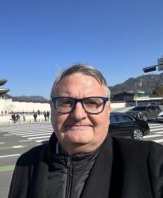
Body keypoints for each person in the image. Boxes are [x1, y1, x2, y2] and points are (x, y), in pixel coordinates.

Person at [9, 64, 163, 198]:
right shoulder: (27, 164)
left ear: (108, 111)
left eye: (91, 102)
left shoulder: (150, 160)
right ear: (52, 109)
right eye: (66, 103)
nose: (78, 114)